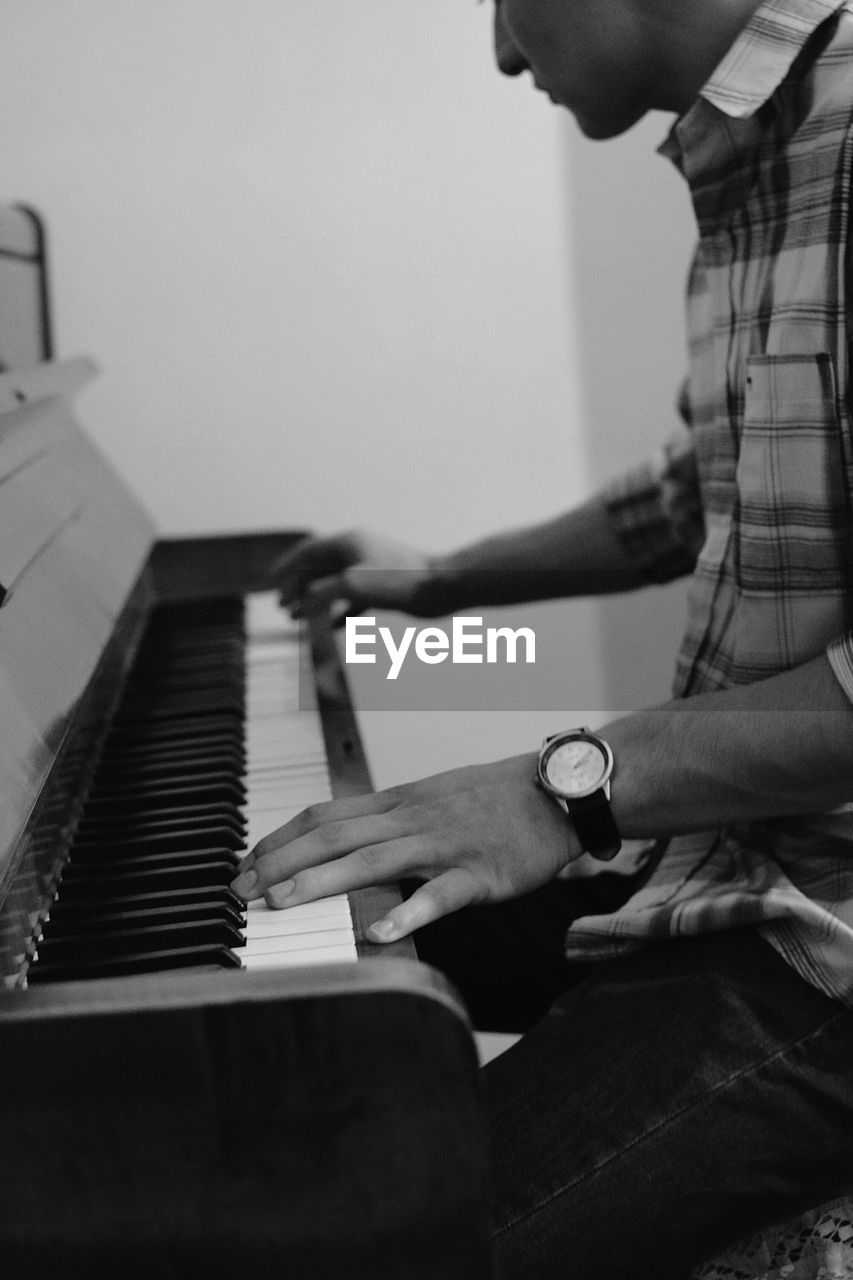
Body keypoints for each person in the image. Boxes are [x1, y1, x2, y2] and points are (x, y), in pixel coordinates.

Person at [231, 1, 853, 1276]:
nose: (505, 53)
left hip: (824, 933)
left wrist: (562, 787)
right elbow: (714, 482)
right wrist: (441, 581)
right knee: (251, 930)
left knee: (357, 1248)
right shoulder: (763, 149)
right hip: (724, 850)